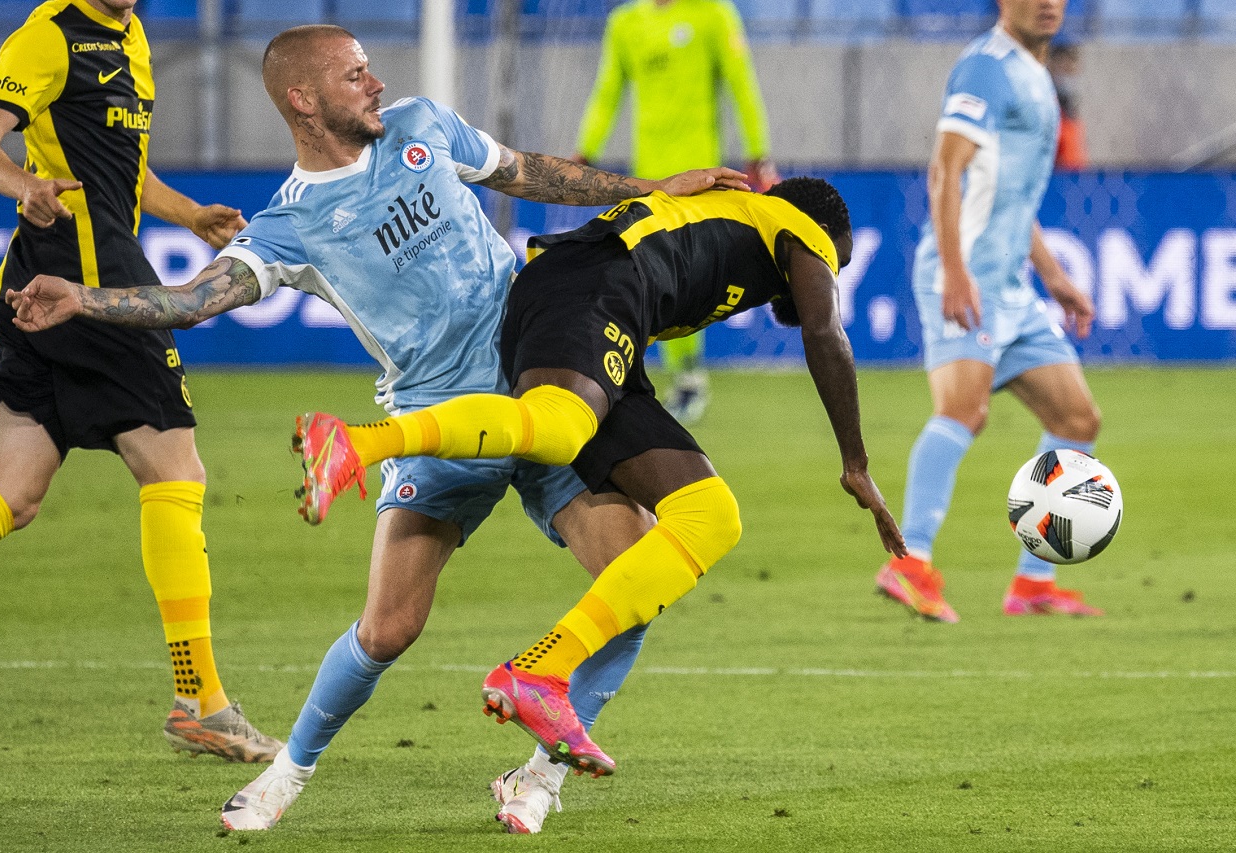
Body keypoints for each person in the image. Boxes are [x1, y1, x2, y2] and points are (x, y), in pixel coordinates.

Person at [6, 24, 748, 835]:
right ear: (303, 99)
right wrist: (85, 297)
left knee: (638, 574)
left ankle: (539, 775)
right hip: (434, 419)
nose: (375, 83)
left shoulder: (424, 125)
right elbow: (190, 300)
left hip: (542, 379)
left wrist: (654, 187)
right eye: (354, 74)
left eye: (369, 69)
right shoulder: (290, 225)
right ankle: (284, 776)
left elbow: (533, 172)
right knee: (388, 627)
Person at [281, 177, 907, 773]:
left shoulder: (737, 225)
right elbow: (826, 333)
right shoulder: (801, 226)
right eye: (836, 262)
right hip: (596, 285)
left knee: (710, 515)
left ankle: (541, 672)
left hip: (612, 327)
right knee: (557, 428)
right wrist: (856, 465)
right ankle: (358, 443)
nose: (831, 272)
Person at [0, 0, 281, 762]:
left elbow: (122, 173)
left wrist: (188, 212)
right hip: (92, 292)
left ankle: (199, 700)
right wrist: (21, 185)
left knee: (10, 492)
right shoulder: (50, 34)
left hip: (35, 290)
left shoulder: (129, 36)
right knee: (177, 470)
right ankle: (199, 699)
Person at [874, 0, 1103, 623]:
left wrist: (1053, 275)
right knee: (964, 412)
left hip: (1011, 286)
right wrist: (953, 269)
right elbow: (946, 171)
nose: (1048, 4)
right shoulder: (985, 67)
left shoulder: (1038, 76)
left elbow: (1008, 193)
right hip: (967, 274)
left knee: (1077, 418)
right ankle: (909, 563)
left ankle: (1033, 583)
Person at [572, 0, 780, 425]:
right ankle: (673, 380)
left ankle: (687, 377)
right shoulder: (625, 23)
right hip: (650, 179)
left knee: (685, 279)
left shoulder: (713, 14)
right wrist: (585, 151)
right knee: (651, 278)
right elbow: (608, 90)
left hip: (702, 176)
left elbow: (742, 83)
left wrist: (758, 152)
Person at [1049, 40, 1089, 170]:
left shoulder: (1069, 107)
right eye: (1062, 67)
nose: (1068, 74)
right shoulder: (1048, 107)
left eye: (1071, 68)